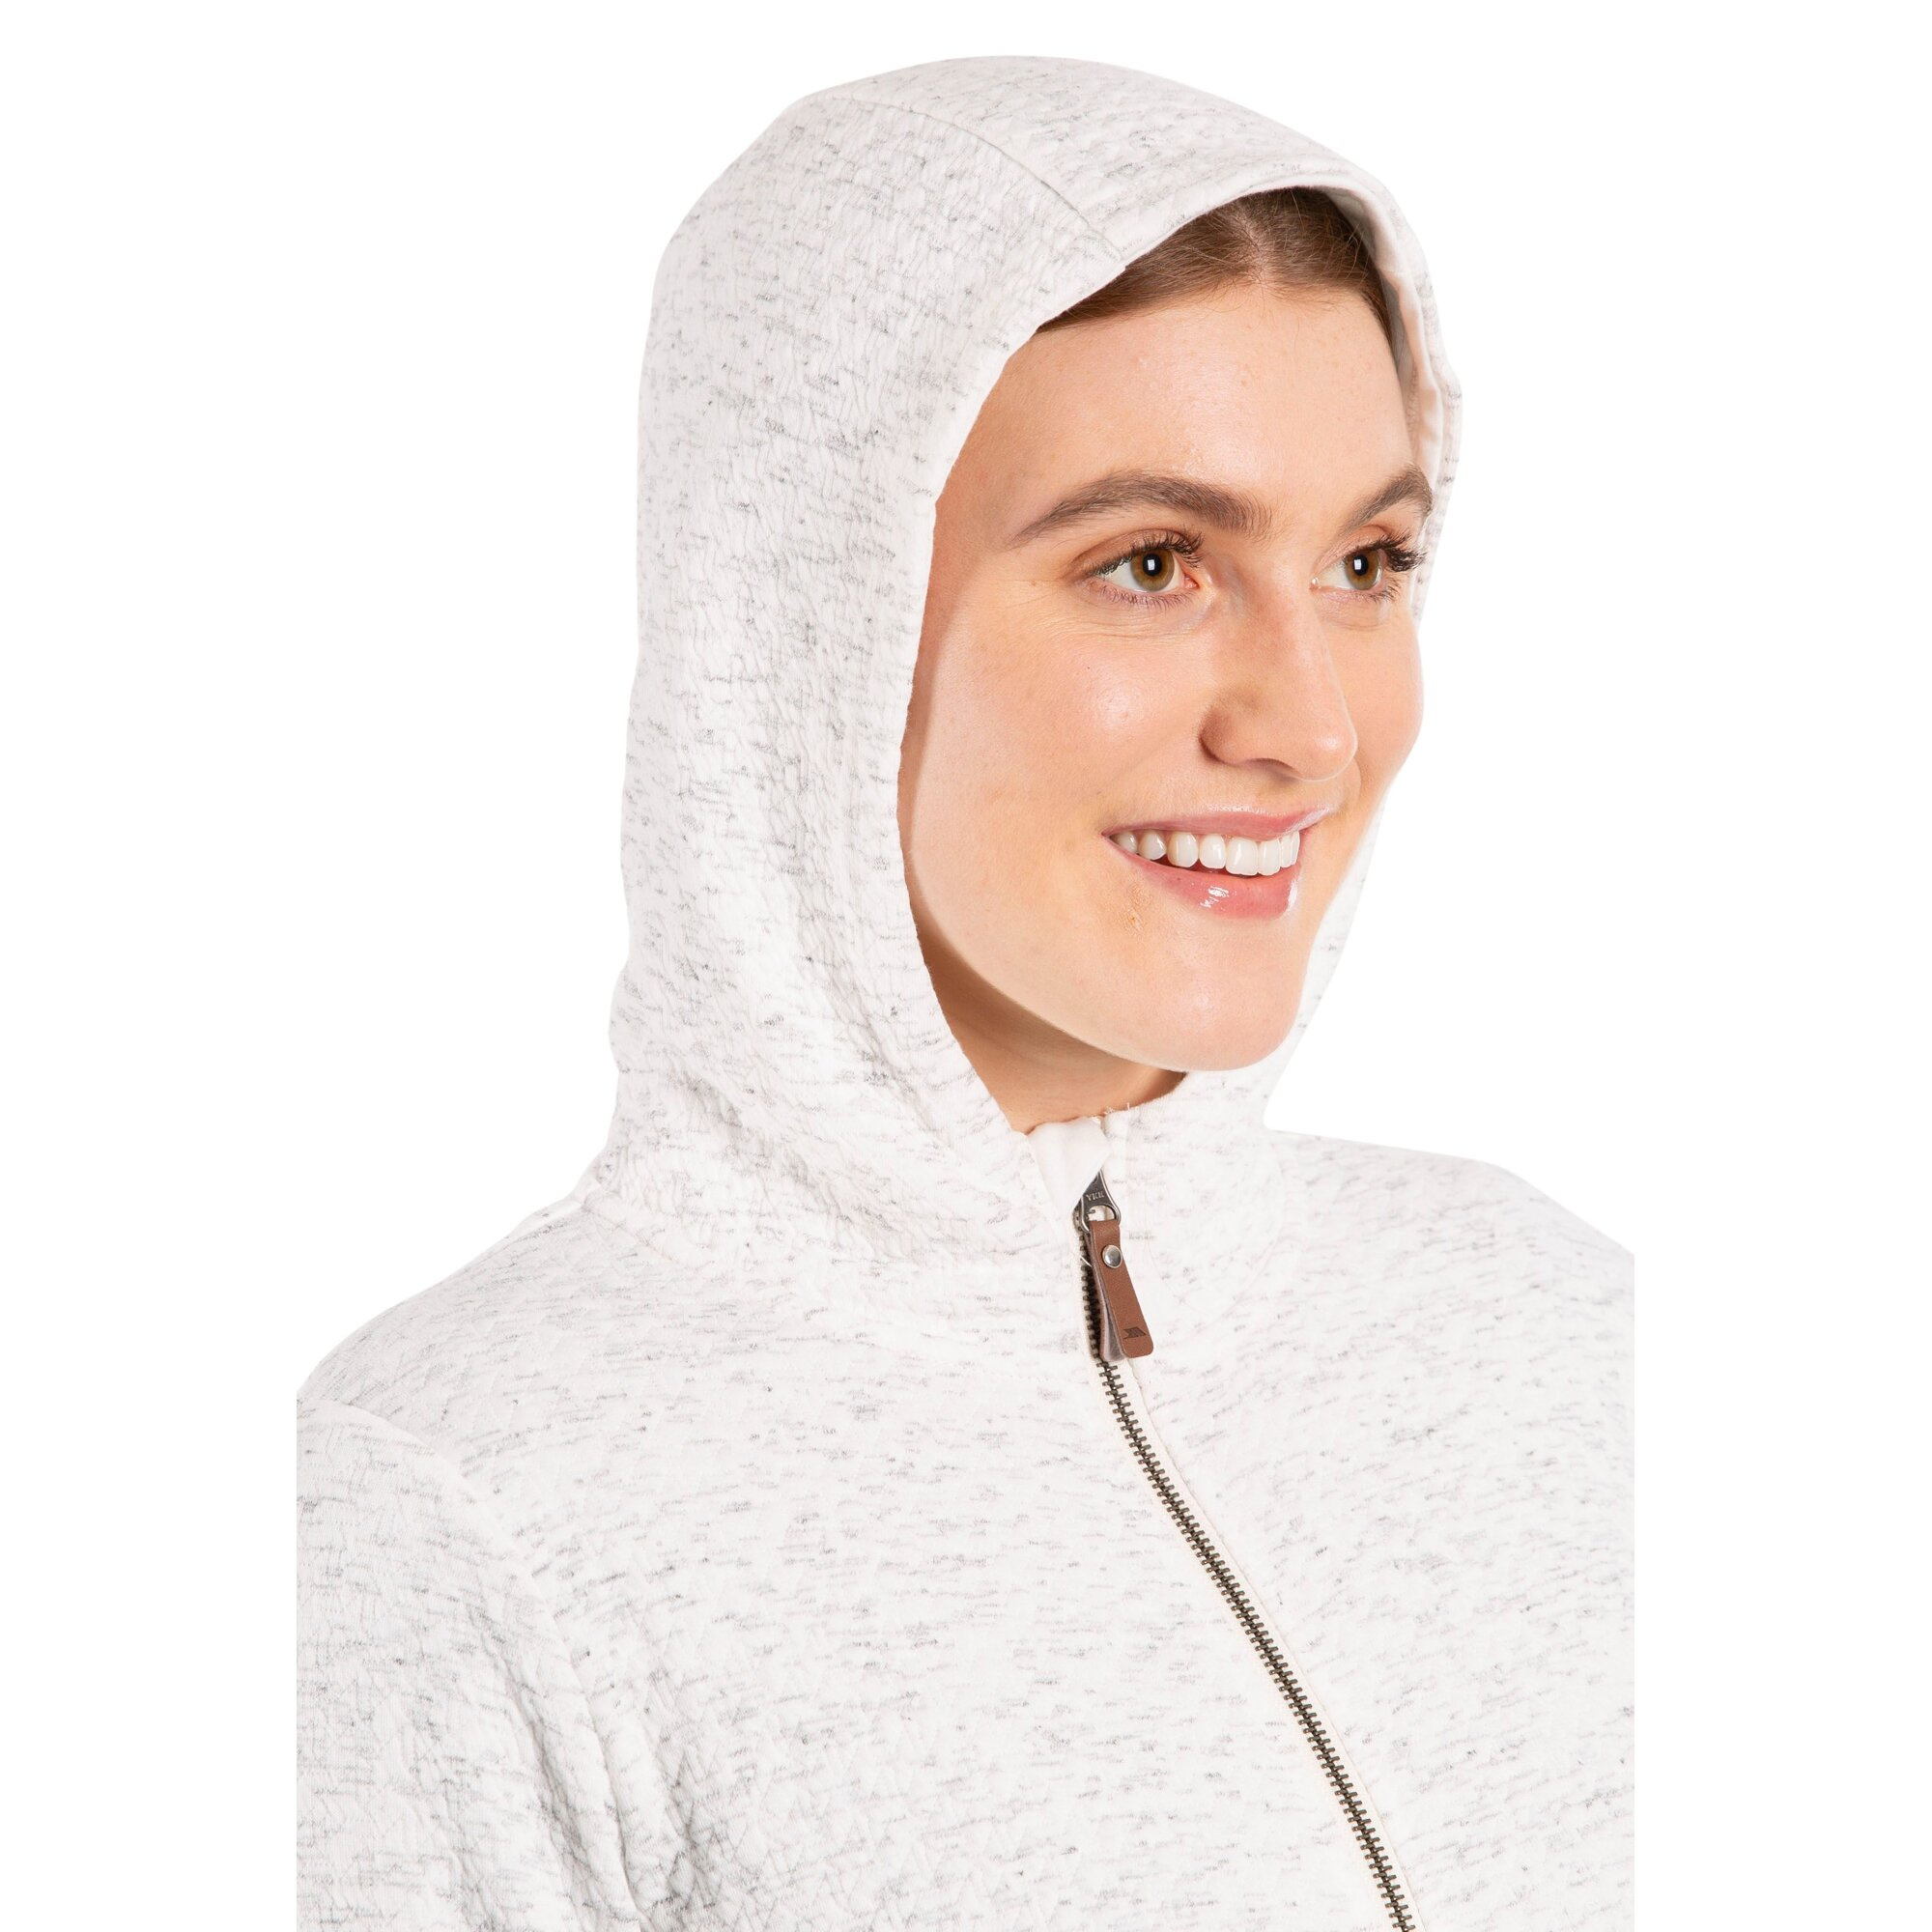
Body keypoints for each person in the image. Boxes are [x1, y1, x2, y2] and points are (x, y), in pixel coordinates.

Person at [298, 53, 1633, 1930]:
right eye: (1152, 564)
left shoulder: (1562, 1325)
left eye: (1366, 561)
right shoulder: (451, 1503)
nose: (1312, 726)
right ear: (805, 619)